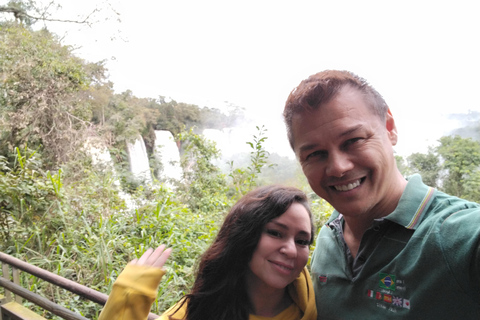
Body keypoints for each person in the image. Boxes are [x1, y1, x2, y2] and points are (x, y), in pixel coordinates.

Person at [283, 70, 480, 319]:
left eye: (353, 140)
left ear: (390, 128)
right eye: (315, 154)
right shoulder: (327, 236)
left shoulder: (458, 235)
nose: (338, 167)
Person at [98, 185, 317, 320]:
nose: (290, 250)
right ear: (245, 235)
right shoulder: (203, 311)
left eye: (301, 241)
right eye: (276, 233)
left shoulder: (319, 305)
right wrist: (129, 296)